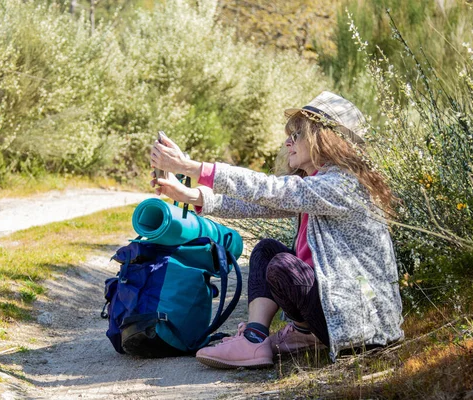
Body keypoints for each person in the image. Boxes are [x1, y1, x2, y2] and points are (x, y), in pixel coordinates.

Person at [150, 91, 404, 369]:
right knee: (267, 250)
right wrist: (191, 195)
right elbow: (260, 204)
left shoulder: (345, 185)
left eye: (297, 134)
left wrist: (190, 167)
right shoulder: (322, 182)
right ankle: (255, 340)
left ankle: (304, 334)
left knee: (284, 266)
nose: (288, 142)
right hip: (336, 310)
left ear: (324, 139)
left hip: (360, 325)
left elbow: (270, 189)